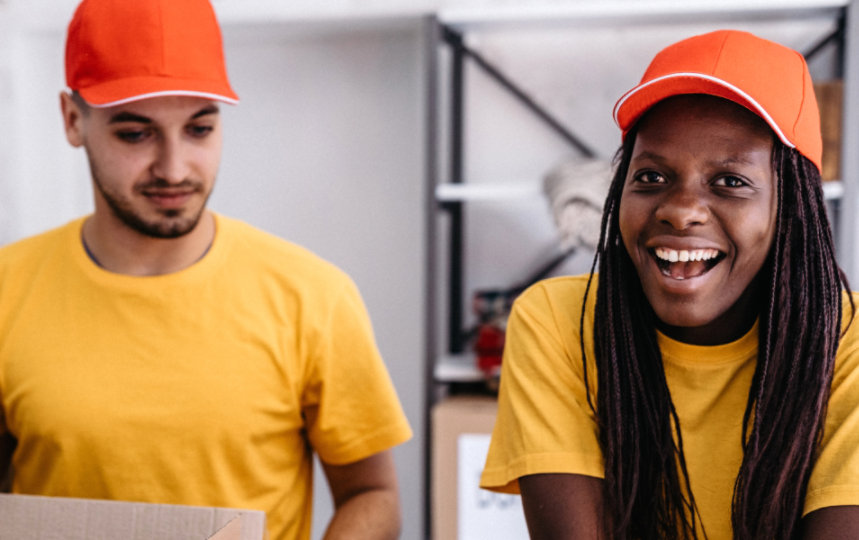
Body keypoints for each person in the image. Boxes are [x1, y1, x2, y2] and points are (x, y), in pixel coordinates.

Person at [0, 1, 412, 539]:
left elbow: (372, 495)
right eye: (135, 134)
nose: (174, 169)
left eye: (198, 129)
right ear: (73, 120)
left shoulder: (312, 295)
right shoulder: (9, 287)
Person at [480, 29, 859, 539]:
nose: (680, 211)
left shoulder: (846, 344)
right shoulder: (557, 321)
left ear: (791, 207)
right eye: (652, 178)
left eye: (730, 181)